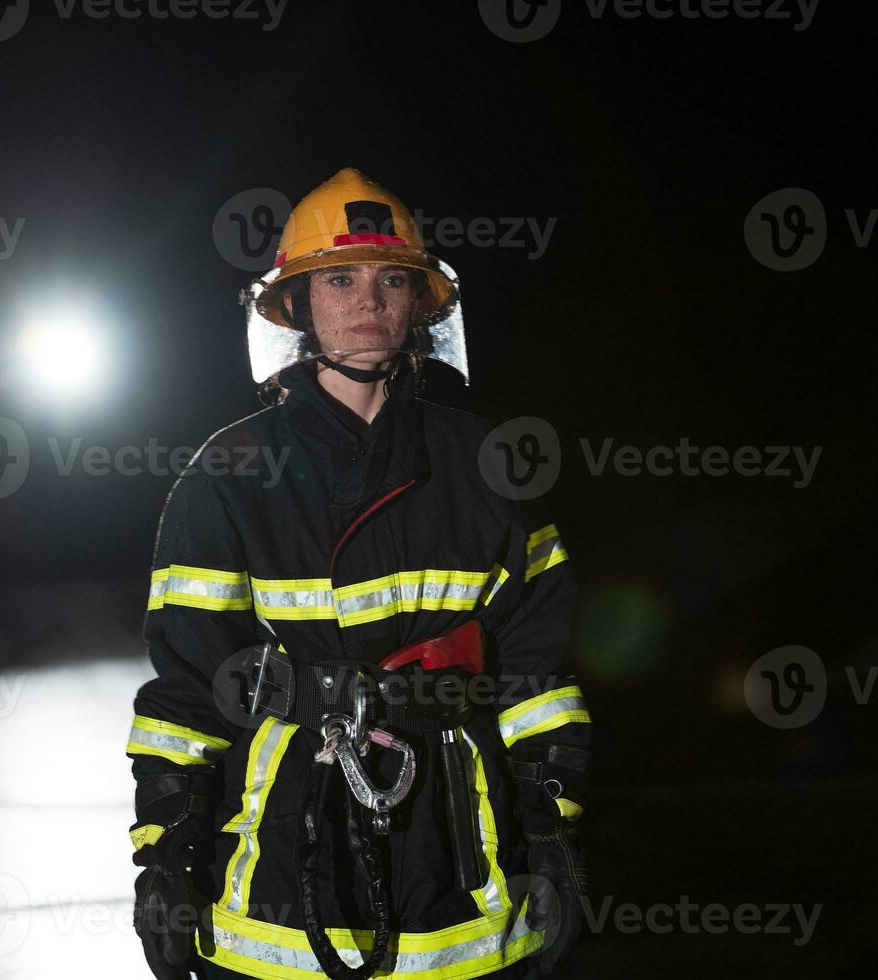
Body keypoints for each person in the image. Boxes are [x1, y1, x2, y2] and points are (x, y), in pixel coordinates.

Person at [129, 168, 591, 980]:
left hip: (462, 851)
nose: (367, 302)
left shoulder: (488, 469)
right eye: (338, 279)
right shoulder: (229, 472)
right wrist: (166, 861)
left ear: (420, 305)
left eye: (391, 281)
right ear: (298, 307)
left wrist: (553, 835)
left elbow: (538, 673)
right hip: (282, 858)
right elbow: (187, 690)